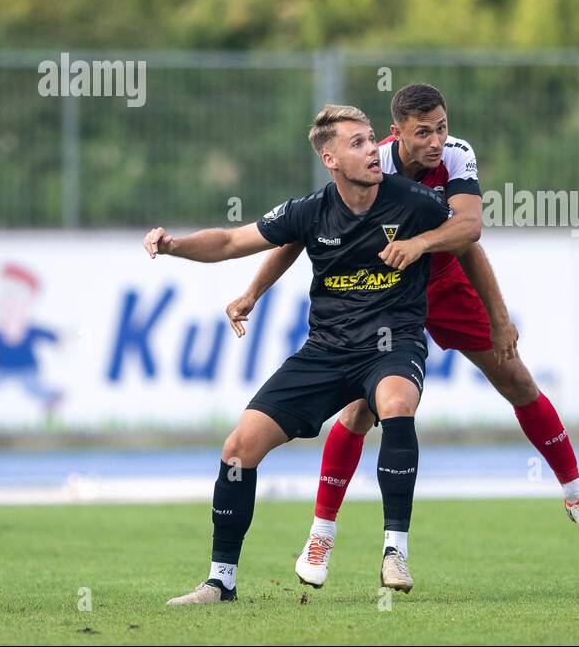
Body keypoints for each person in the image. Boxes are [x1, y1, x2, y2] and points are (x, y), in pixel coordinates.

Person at [227, 83, 579, 590]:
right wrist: (253, 290)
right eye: (423, 133)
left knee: (516, 380)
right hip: (384, 293)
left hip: (444, 281)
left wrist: (492, 310)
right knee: (361, 409)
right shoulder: (372, 160)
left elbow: (469, 229)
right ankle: (322, 532)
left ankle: (576, 493)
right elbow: (301, 232)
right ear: (397, 135)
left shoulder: (456, 156)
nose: (436, 141)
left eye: (442, 128)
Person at [151, 104, 479, 604]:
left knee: (395, 405)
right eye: (358, 144)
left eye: (372, 139)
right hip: (326, 351)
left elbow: (468, 232)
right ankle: (221, 581)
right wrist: (174, 246)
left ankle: (394, 551)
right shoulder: (310, 210)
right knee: (239, 449)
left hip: (393, 343)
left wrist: (423, 246)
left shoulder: (413, 201)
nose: (373, 150)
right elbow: (230, 240)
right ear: (331, 159)